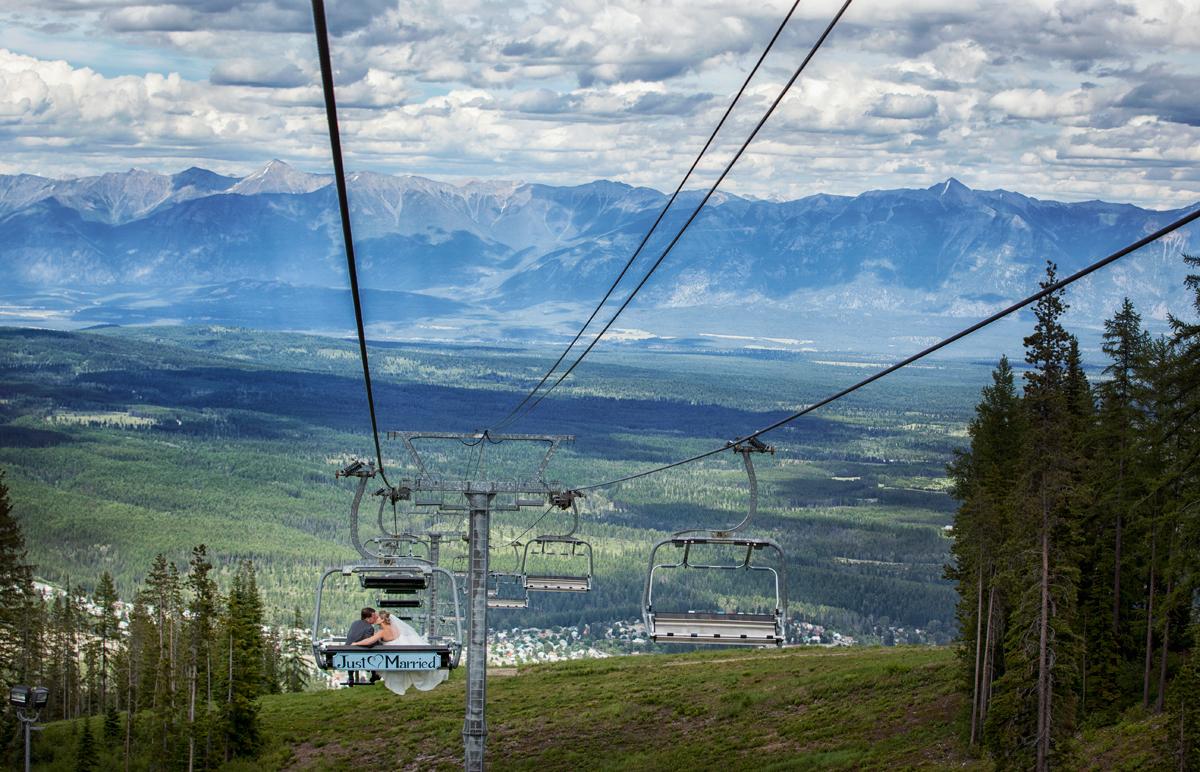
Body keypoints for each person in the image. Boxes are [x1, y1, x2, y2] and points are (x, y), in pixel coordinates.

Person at [351, 610, 449, 696]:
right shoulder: (396, 629)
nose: (375, 619)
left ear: (382, 620)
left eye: (377, 618)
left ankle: (374, 674)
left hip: (395, 657)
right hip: (403, 655)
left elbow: (369, 641)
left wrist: (356, 643)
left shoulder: (382, 632)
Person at [344, 607, 380, 685]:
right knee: (375, 648)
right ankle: (374, 674)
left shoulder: (354, 623)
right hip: (360, 654)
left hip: (348, 652)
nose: (375, 619)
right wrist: (377, 640)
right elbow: (368, 643)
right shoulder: (369, 627)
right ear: (368, 618)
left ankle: (350, 677)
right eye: (373, 617)